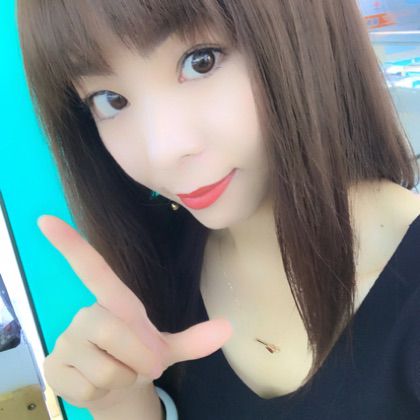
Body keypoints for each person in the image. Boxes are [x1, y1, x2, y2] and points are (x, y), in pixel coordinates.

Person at [17, 0, 420, 419]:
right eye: (111, 100)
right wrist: (124, 405)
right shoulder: (157, 269)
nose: (162, 150)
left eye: (201, 61)